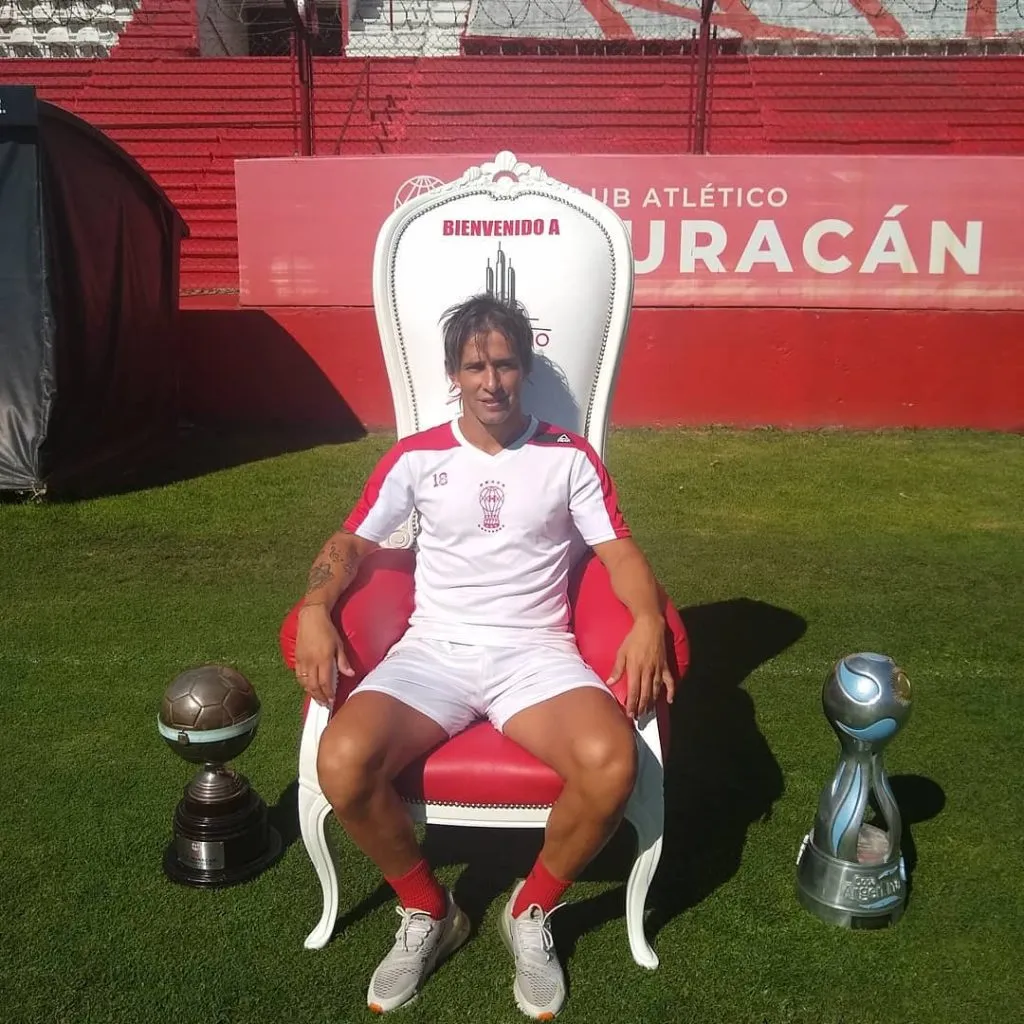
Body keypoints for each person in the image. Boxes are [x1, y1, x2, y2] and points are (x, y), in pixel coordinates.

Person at [293, 293, 674, 1020]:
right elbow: (349, 544)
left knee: (611, 763)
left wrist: (649, 617)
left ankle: (531, 909)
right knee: (341, 760)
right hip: (434, 648)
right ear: (454, 374)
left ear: (523, 368)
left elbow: (618, 552)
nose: (491, 382)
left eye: (504, 364)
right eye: (475, 367)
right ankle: (430, 910)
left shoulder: (568, 456)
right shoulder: (416, 456)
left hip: (535, 652)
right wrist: (314, 609)